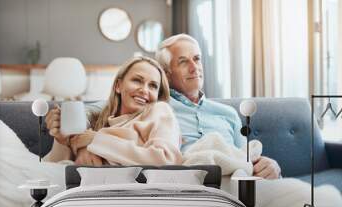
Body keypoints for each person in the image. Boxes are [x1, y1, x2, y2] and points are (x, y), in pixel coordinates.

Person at [155, 34, 281, 179]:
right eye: (183, 62)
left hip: (236, 182)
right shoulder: (157, 110)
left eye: (197, 59)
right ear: (166, 74)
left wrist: (270, 167)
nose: (194, 67)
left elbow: (245, 158)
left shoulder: (228, 113)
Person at [43, 56, 182, 166]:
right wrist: (62, 139)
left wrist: (96, 140)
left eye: (153, 86)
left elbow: (167, 160)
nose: (144, 90)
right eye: (137, 81)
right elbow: (57, 168)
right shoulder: (95, 123)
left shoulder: (160, 111)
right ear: (118, 86)